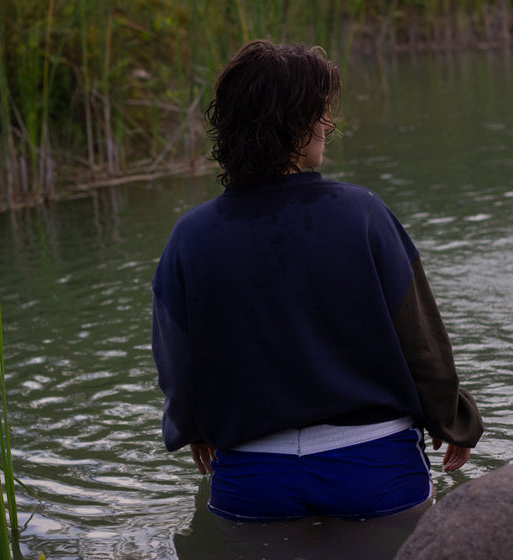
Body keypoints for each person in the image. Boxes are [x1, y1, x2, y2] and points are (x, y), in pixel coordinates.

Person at [151, 39, 483, 523]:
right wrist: (452, 418)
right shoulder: (364, 212)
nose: (329, 124)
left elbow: (175, 362)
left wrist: (193, 429)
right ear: (290, 124)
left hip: (249, 482)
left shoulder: (189, 236)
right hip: (373, 472)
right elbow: (422, 343)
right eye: (319, 113)